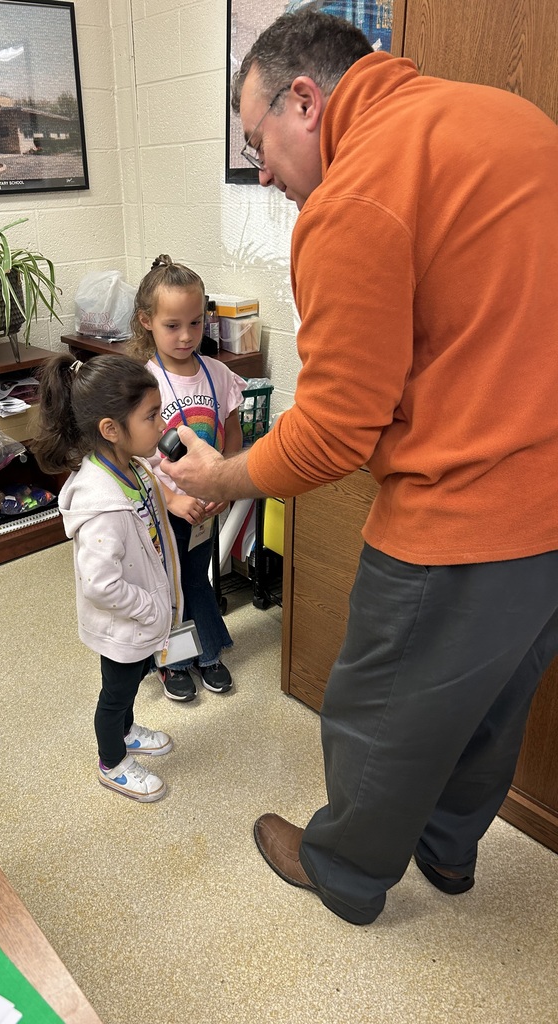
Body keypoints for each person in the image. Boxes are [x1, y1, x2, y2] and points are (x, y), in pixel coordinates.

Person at [165, 7, 558, 923]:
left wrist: (221, 480)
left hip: (460, 512)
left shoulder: (353, 197)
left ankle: (344, 871)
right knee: (496, 702)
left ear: (306, 99)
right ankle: (448, 851)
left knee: (375, 709)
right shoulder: (514, 121)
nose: (261, 169)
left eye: (258, 139)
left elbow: (337, 430)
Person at [32, 352, 182, 803]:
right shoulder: (102, 504)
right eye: (152, 415)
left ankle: (128, 731)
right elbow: (101, 584)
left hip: (141, 617)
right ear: (111, 429)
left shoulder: (131, 467)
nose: (163, 424)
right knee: (114, 694)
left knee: (133, 681)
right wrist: (152, 606)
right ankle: (111, 762)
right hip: (124, 621)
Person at [127, 255, 246, 702]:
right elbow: (134, 457)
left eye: (195, 323)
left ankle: (208, 651)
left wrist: (227, 483)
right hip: (164, 506)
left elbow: (231, 431)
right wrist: (172, 500)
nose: (185, 336)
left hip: (208, 507)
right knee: (168, 584)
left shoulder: (218, 374)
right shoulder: (142, 381)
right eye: (173, 325)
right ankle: (170, 660)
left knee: (198, 579)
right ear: (147, 322)